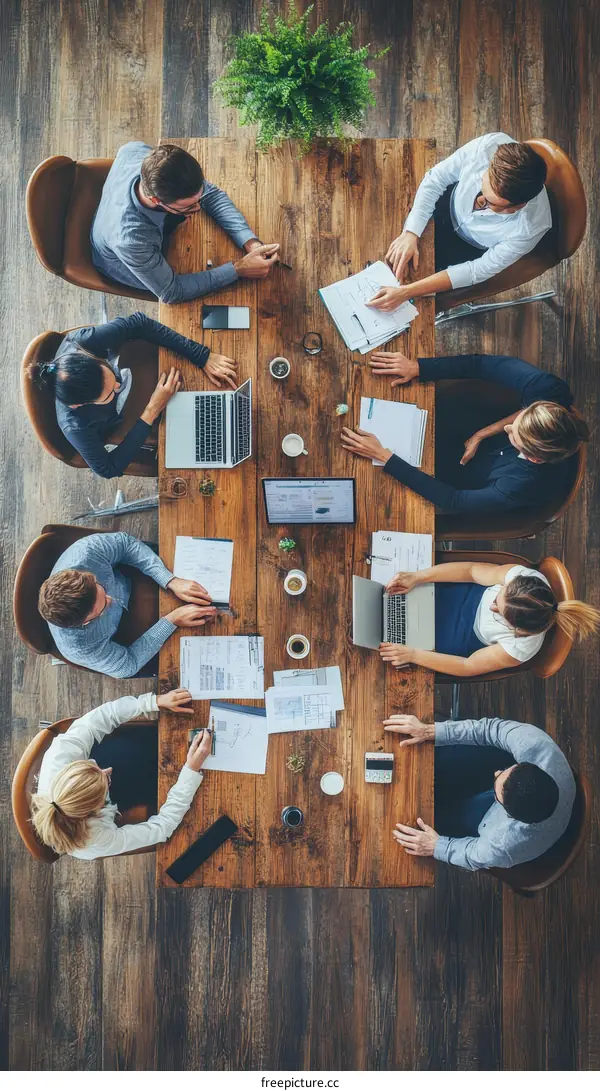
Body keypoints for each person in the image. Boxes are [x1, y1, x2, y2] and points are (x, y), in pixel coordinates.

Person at [341, 353, 589, 515]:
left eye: (514, 436)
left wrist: (385, 457)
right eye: (519, 418)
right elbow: (481, 365)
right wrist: (419, 366)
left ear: (534, 458)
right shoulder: (549, 390)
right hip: (463, 419)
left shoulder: (521, 486)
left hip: (455, 474)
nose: (506, 428)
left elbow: (454, 500)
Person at [28, 312, 239, 479]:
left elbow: (139, 322)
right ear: (80, 405)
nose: (118, 385)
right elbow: (107, 469)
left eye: (108, 373)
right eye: (110, 392)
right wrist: (151, 410)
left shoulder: (82, 343)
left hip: (149, 371)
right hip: (135, 418)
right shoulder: (75, 425)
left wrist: (202, 356)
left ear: (89, 358)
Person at [369, 133, 551, 312]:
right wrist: (410, 233)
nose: (479, 202)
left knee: (412, 295)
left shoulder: (530, 228)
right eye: (482, 188)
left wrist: (405, 292)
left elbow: (475, 271)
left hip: (467, 248)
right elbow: (436, 179)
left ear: (517, 207)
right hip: (443, 202)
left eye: (489, 203)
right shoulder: (487, 148)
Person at [31, 688, 211, 859]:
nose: (109, 770)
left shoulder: (60, 756)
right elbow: (161, 828)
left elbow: (97, 719)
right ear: (95, 809)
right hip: (118, 803)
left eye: (94, 767)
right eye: (105, 779)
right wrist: (191, 770)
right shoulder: (94, 842)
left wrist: (151, 702)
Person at [383, 713, 576, 872]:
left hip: (493, 821)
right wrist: (428, 730)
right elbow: (489, 729)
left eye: (497, 787)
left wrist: (435, 846)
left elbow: (470, 854)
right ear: (530, 764)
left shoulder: (504, 843)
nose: (496, 772)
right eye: (507, 770)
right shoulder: (535, 743)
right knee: (444, 754)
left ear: (508, 815)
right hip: (504, 759)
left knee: (435, 819)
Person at [91, 141, 280, 302]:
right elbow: (172, 291)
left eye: (199, 198)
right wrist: (239, 269)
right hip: (123, 262)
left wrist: (250, 242)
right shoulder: (132, 241)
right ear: (156, 200)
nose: (199, 207)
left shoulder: (139, 152)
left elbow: (212, 195)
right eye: (188, 207)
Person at [378, 559, 600, 678]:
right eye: (499, 595)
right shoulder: (525, 578)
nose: (492, 605)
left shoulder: (521, 646)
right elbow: (472, 571)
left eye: (498, 611)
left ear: (518, 630)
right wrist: (418, 576)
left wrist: (414, 654)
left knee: (381, 641)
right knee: (383, 594)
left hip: (460, 637)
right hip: (461, 594)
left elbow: (467, 665)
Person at [37, 531, 216, 678]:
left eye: (100, 587)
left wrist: (170, 580)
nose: (110, 599)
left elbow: (126, 544)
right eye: (101, 608)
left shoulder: (85, 553)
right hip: (134, 633)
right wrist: (172, 621)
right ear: (84, 623)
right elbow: (127, 666)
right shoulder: (79, 648)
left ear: (85, 575)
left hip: (136, 574)